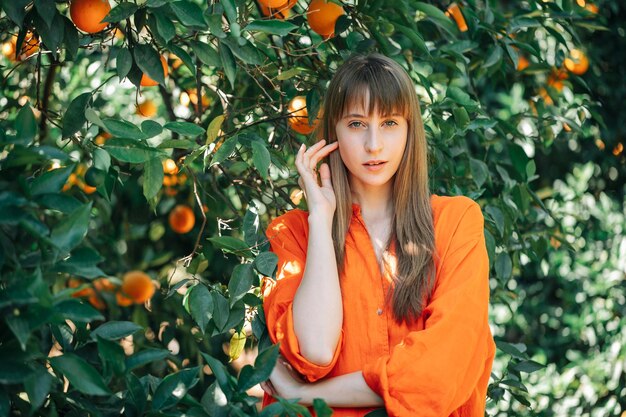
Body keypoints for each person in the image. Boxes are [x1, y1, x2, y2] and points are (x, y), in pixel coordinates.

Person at [260, 53, 496, 417]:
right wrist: (322, 219)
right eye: (356, 123)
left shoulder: (456, 222)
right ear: (333, 132)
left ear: (409, 130)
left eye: (389, 122)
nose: (374, 144)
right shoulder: (291, 234)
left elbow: (438, 377)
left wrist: (304, 393)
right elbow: (316, 351)